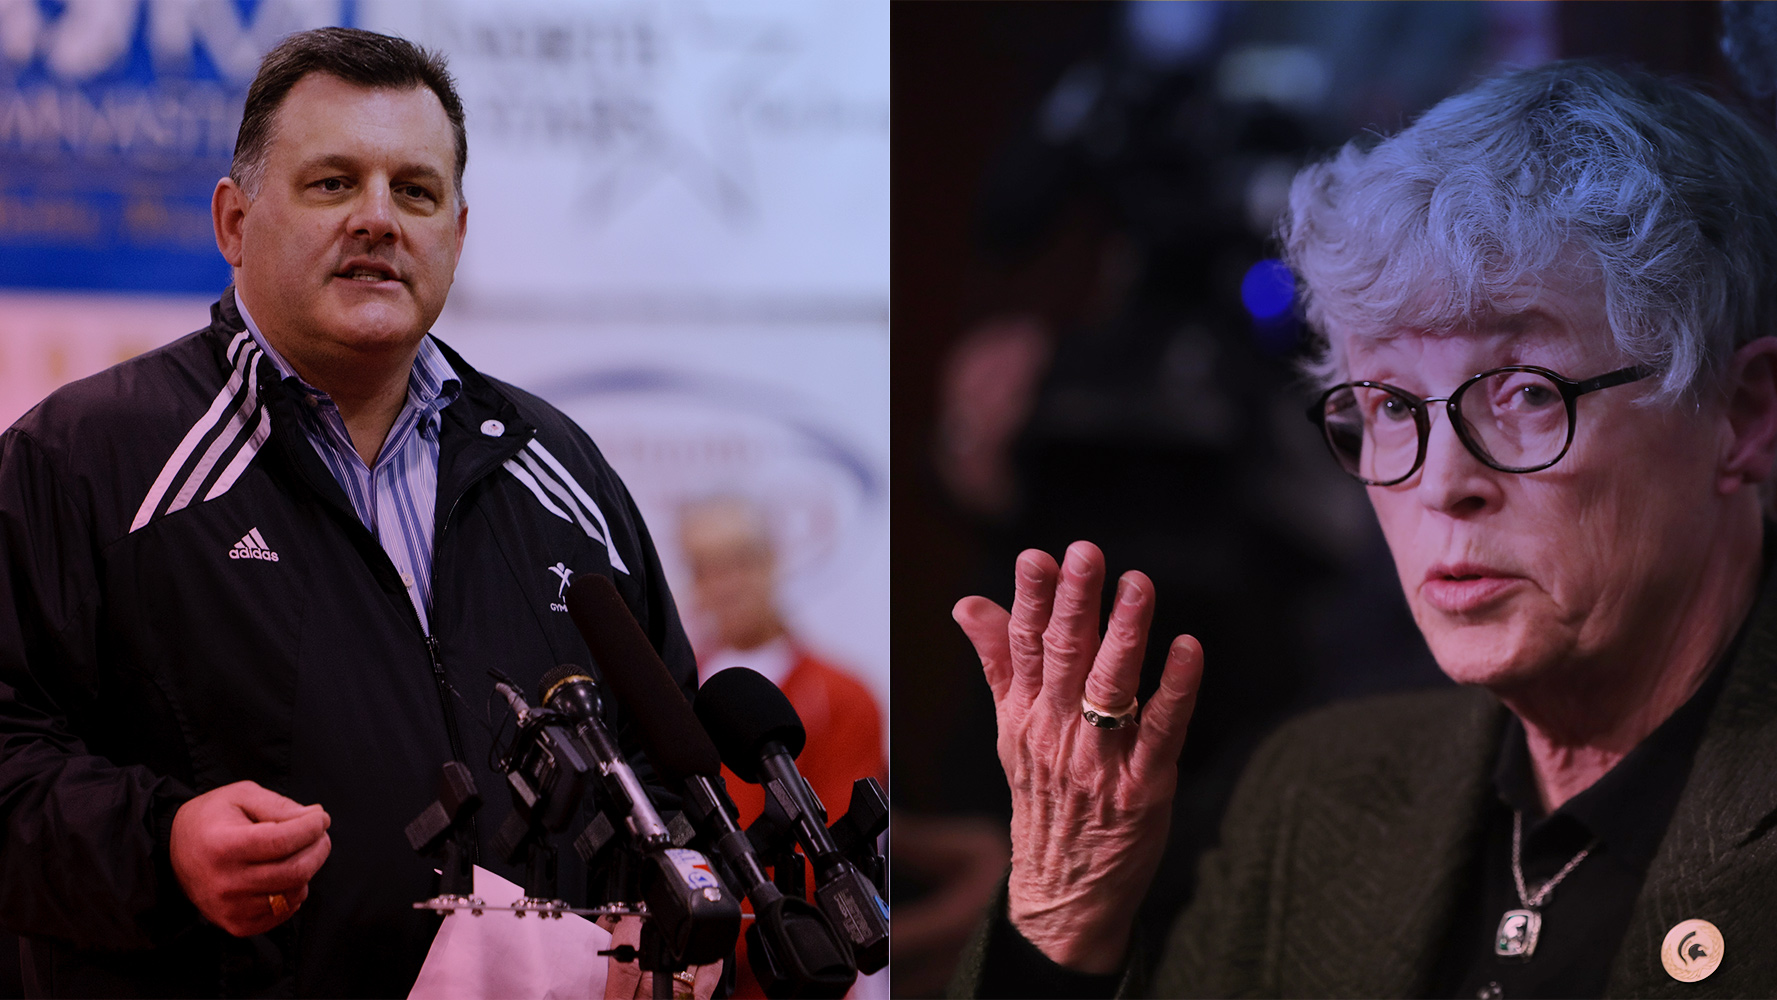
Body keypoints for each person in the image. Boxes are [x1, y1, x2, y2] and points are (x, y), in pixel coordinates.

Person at [950, 61, 1777, 998]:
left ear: (1742, 415)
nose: (1440, 480)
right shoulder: (1313, 795)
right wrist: (1066, 918)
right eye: (1386, 403)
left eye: (1523, 393)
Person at [0, 28, 698, 996]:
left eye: (414, 191)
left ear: (455, 232)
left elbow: (672, 776)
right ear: (234, 222)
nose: (378, 219)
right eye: (333, 183)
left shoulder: (561, 469)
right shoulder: (83, 460)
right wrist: (162, 843)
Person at [676, 496, 886, 998]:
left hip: (798, 969)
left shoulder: (843, 695)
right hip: (694, 971)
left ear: (771, 563)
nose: (726, 584)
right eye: (707, 569)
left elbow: (836, 856)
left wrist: (718, 933)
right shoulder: (676, 697)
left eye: (740, 561)